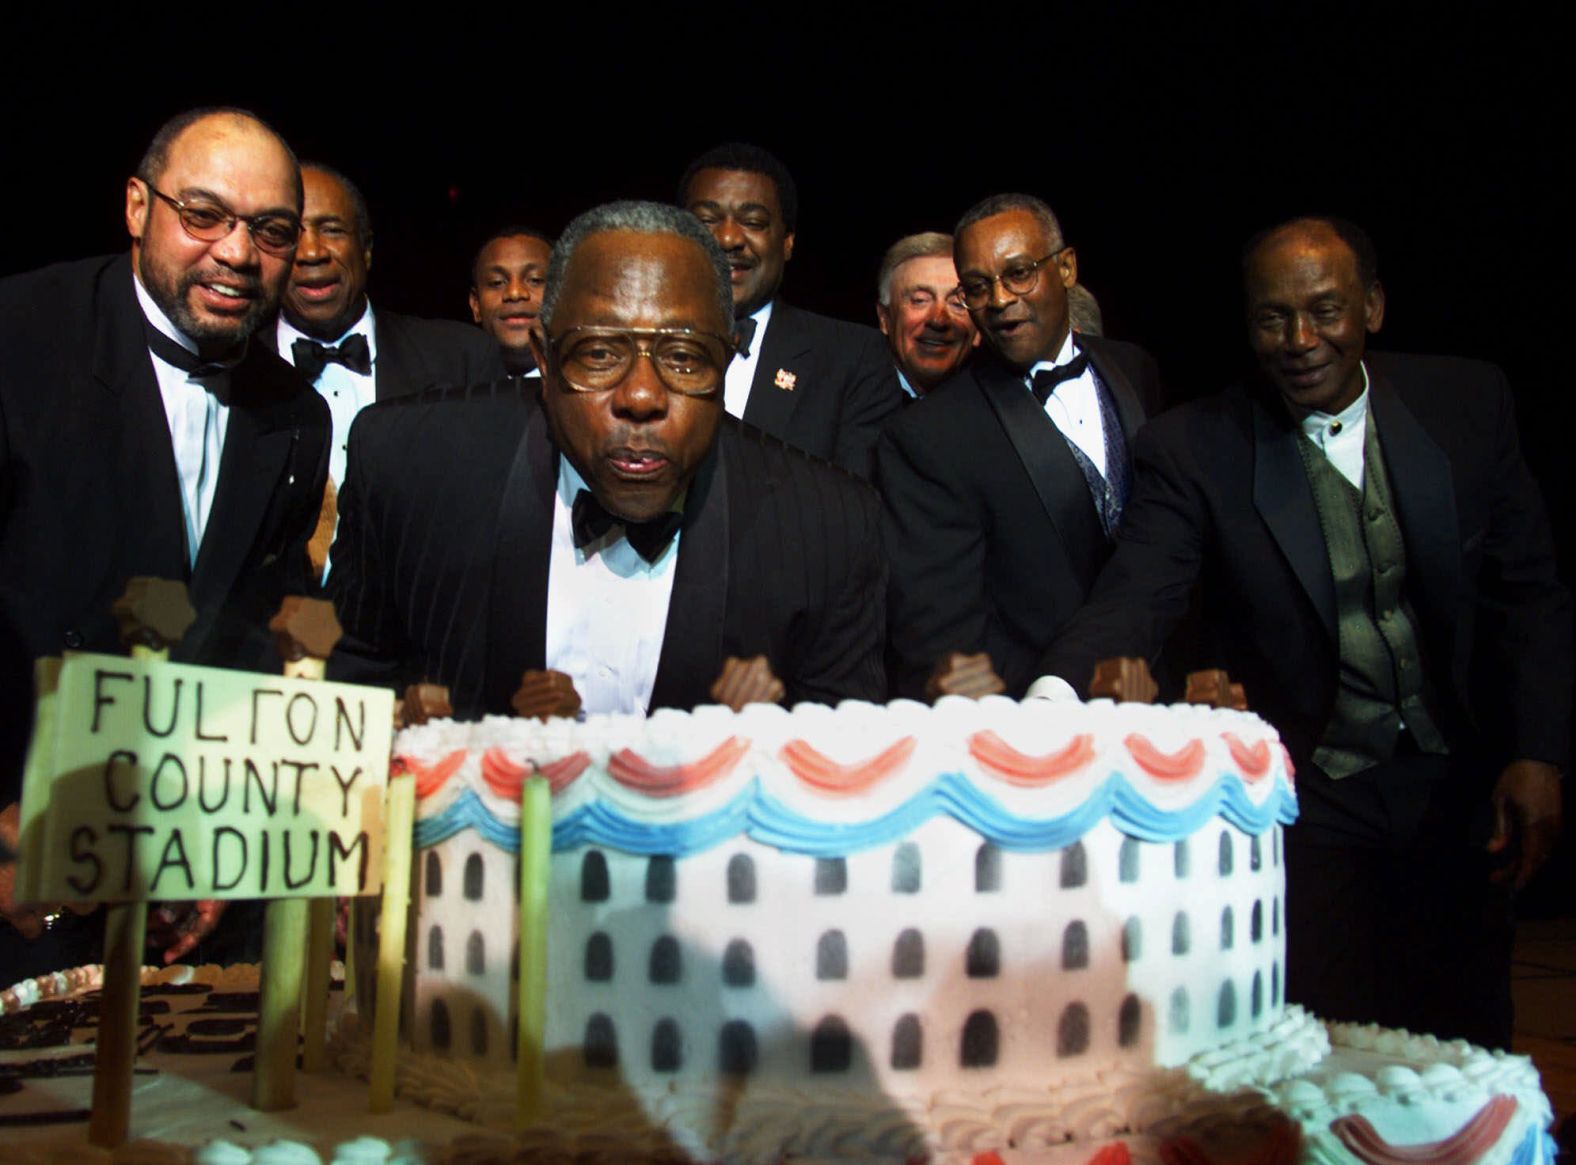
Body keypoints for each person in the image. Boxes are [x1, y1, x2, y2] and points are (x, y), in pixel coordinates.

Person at [1041, 216, 1570, 1049]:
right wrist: (1050, 697)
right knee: (1329, 1044)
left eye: (1324, 311)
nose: (1299, 339)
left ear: (1373, 307)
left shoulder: (1469, 402)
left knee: (1469, 1033)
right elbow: (1135, 595)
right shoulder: (1194, 447)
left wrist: (1538, 753)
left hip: (1457, 779)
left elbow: (1530, 591)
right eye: (1271, 318)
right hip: (1316, 795)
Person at [327, 200, 886, 716]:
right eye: (597, 352)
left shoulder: (828, 528)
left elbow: (837, 777)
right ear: (543, 357)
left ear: (729, 358)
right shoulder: (410, 469)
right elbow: (357, 695)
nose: (641, 397)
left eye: (686, 356)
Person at [0, 107, 331, 977]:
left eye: (270, 230)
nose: (236, 253)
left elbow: (249, 642)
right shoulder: (19, 339)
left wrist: (220, 835)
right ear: (138, 206)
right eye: (204, 215)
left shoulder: (297, 415)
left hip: (174, 885)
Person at [875, 193, 1162, 698]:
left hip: (1167, 704)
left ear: (1067, 267)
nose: (1001, 300)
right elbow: (943, 641)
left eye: (1020, 273)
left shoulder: (1134, 369)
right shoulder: (929, 435)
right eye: (979, 288)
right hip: (1034, 723)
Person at [274, 163, 504, 571]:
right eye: (289, 233)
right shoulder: (231, 370)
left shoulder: (464, 358)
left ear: (366, 248)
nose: (311, 252)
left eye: (331, 229)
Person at [679, 143, 901, 478]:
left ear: (788, 242)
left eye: (753, 221)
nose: (727, 238)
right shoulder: (628, 342)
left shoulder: (853, 358)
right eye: (707, 220)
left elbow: (852, 507)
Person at [874, 231, 978, 398]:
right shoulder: (848, 406)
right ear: (884, 318)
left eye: (957, 303)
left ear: (979, 329)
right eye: (919, 300)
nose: (938, 320)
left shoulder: (1000, 411)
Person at [469, 226, 554, 376]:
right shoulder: (449, 393)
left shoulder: (599, 393)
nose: (515, 293)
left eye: (535, 279)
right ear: (476, 305)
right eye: (497, 282)